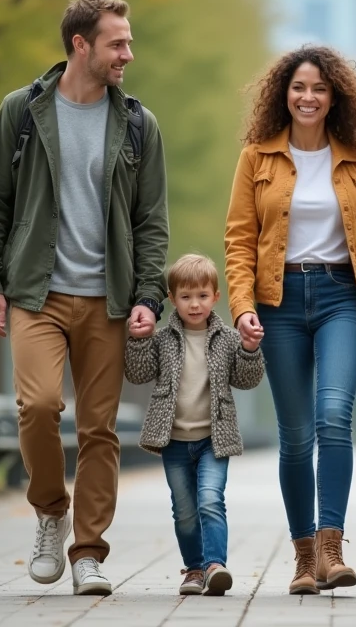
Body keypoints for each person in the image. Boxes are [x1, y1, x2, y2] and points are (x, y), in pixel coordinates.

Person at [0, 0, 169, 596]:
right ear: (81, 45)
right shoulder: (22, 111)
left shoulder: (138, 122)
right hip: (37, 291)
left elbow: (150, 221)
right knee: (36, 409)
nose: (127, 54)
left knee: (100, 430)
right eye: (117, 43)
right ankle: (50, 511)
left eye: (128, 42)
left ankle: (89, 553)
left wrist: (148, 296)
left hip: (108, 300)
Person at [224, 45, 356, 595]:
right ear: (283, 94)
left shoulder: (355, 155)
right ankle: (302, 559)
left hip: (342, 294)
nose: (309, 97)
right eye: (299, 87)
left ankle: (331, 546)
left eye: (319, 88)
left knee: (333, 417)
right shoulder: (257, 157)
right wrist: (243, 307)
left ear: (334, 95)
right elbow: (240, 239)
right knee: (295, 437)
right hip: (279, 300)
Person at [123, 253, 264, 597]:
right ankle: (195, 569)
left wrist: (249, 349)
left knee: (210, 499)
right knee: (184, 510)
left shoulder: (228, 338)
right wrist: (139, 339)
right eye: (185, 297)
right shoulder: (163, 339)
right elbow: (138, 373)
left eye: (202, 296)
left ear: (216, 297)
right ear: (172, 300)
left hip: (213, 439)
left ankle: (216, 564)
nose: (195, 304)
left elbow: (248, 380)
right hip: (173, 440)